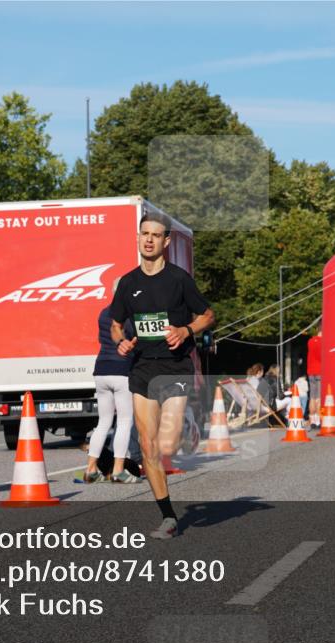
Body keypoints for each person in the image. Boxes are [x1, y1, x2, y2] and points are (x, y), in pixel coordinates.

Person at [111, 211, 215, 539]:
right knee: (147, 446)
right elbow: (115, 324)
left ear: (166, 241)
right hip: (142, 367)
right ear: (139, 238)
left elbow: (208, 314)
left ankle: (186, 427)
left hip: (175, 367)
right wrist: (122, 342)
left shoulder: (178, 279)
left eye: (156, 235)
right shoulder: (128, 283)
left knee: (166, 443)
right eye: (144, 234)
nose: (149, 239)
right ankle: (168, 516)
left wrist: (185, 330)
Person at [84, 302, 140, 484]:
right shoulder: (131, 314)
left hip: (101, 369)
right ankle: (118, 471)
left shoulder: (103, 312)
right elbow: (134, 340)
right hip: (122, 370)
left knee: (103, 422)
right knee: (124, 421)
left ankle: (91, 469)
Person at [307, 323, 323, 428]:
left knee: (312, 396)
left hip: (310, 371)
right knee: (319, 397)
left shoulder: (310, 341)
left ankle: (312, 420)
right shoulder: (324, 342)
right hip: (320, 370)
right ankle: (318, 421)